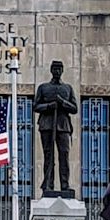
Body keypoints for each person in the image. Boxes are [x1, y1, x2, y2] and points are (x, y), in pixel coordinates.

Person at [32, 60, 78, 195]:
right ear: (51, 70)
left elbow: (74, 108)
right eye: (55, 69)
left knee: (64, 155)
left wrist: (62, 102)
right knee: (48, 156)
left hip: (63, 126)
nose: (57, 71)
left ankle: (65, 185)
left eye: (59, 69)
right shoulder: (43, 87)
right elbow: (36, 106)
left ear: (62, 70)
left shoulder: (68, 88)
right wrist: (49, 106)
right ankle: (48, 185)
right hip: (47, 125)